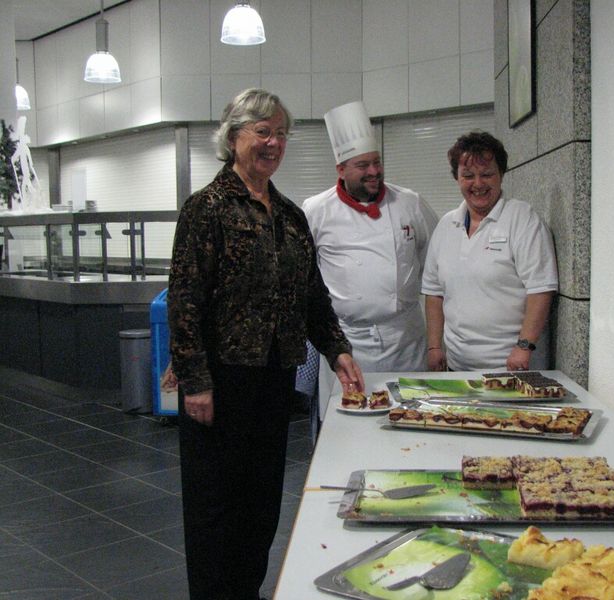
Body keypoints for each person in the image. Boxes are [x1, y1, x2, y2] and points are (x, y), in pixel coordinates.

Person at [167, 88, 364, 600]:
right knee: (216, 507)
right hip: (221, 381)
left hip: (275, 377)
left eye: (280, 133)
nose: (273, 142)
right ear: (234, 137)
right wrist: (195, 381)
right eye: (262, 132)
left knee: (260, 503)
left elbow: (312, 295)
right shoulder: (206, 208)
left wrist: (337, 349)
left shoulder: (289, 216)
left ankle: (247, 590)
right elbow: (184, 302)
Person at [303, 100, 438, 377]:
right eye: (363, 165)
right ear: (341, 169)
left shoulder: (410, 202)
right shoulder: (315, 210)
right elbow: (305, 277)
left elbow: (435, 262)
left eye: (377, 162)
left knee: (409, 402)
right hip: (346, 344)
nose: (374, 171)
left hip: (406, 340)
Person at [422, 131, 558, 372]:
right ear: (457, 178)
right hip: (457, 367)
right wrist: (434, 347)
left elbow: (540, 289)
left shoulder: (522, 219)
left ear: (501, 175)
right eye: (468, 176)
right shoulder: (446, 225)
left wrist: (524, 346)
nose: (478, 184)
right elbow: (434, 293)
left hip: (511, 367)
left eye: (486, 174)